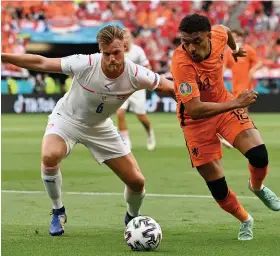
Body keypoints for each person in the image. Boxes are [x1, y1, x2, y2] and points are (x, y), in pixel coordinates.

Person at [1, 25, 175, 236]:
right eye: (106, 53)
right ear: (100, 49)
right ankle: (58, 211)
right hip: (67, 119)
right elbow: (42, 62)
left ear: (125, 48)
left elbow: (167, 86)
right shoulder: (85, 63)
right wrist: (4, 56)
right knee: (49, 155)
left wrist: (188, 103)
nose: (112, 58)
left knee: (137, 182)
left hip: (100, 127)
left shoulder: (136, 73)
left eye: (117, 52)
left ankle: (132, 217)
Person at [171, 14, 280, 241]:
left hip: (224, 104)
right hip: (195, 122)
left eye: (197, 41)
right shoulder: (181, 62)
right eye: (185, 42)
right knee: (217, 186)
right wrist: (237, 103)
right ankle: (245, 219)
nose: (191, 47)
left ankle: (257, 187)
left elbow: (227, 32)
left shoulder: (219, 34)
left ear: (209, 37)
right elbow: (195, 109)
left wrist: (236, 48)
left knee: (259, 155)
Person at [116, 28, 156, 151]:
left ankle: (149, 132)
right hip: (122, 87)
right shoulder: (117, 51)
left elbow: (147, 66)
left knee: (141, 116)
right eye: (123, 37)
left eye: (128, 37)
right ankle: (126, 141)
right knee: (120, 113)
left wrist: (147, 78)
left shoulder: (138, 51)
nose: (126, 40)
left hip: (137, 88)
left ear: (131, 38)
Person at [224, 29, 263, 113]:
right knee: (239, 108)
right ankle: (245, 124)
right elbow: (224, 65)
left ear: (241, 38)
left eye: (237, 37)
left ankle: (245, 125)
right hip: (234, 83)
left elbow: (260, 63)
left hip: (245, 83)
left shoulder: (248, 49)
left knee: (242, 106)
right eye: (233, 37)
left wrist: (253, 70)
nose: (236, 39)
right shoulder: (228, 52)